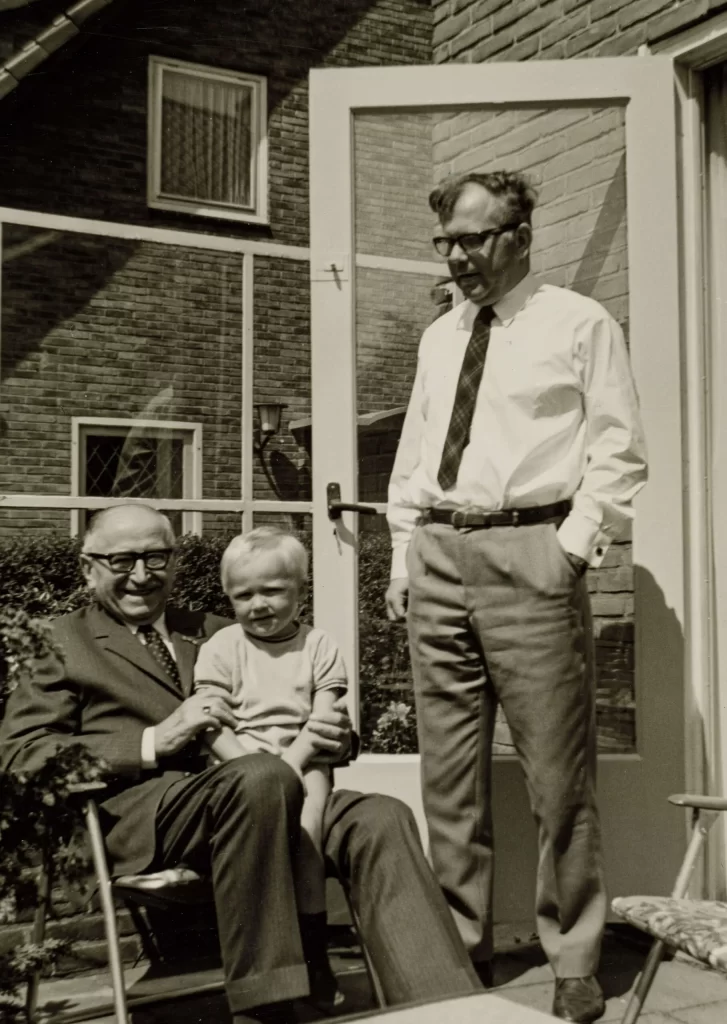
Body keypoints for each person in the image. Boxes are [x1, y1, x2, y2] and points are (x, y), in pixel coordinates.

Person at [0, 503, 479, 1024]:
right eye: (121, 560)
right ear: (88, 567)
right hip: (151, 817)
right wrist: (154, 740)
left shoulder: (219, 627)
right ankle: (268, 1008)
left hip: (271, 788)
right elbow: (23, 755)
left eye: (155, 557)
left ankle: (443, 1008)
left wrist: (335, 735)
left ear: (176, 562)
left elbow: (299, 700)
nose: (141, 575)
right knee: (260, 778)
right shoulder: (59, 642)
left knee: (379, 817)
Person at [385, 171, 648, 1024]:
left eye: (473, 239)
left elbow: (618, 448)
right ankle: (459, 947)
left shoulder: (577, 322)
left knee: (555, 776)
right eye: (445, 244)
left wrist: (567, 550)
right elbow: (417, 452)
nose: (457, 257)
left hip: (530, 550)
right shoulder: (437, 338)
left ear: (521, 236)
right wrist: (401, 553)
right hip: (437, 554)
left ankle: (572, 952)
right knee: (448, 777)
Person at [193, 527, 346, 1011]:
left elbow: (326, 719)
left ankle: (315, 953)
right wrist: (257, 768)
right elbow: (210, 724)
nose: (258, 604)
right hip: (242, 765)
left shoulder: (318, 646)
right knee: (260, 844)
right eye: (244, 595)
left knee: (305, 841)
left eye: (273, 591)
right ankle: (270, 971)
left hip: (308, 759)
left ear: (301, 589)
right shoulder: (221, 647)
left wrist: (290, 766)